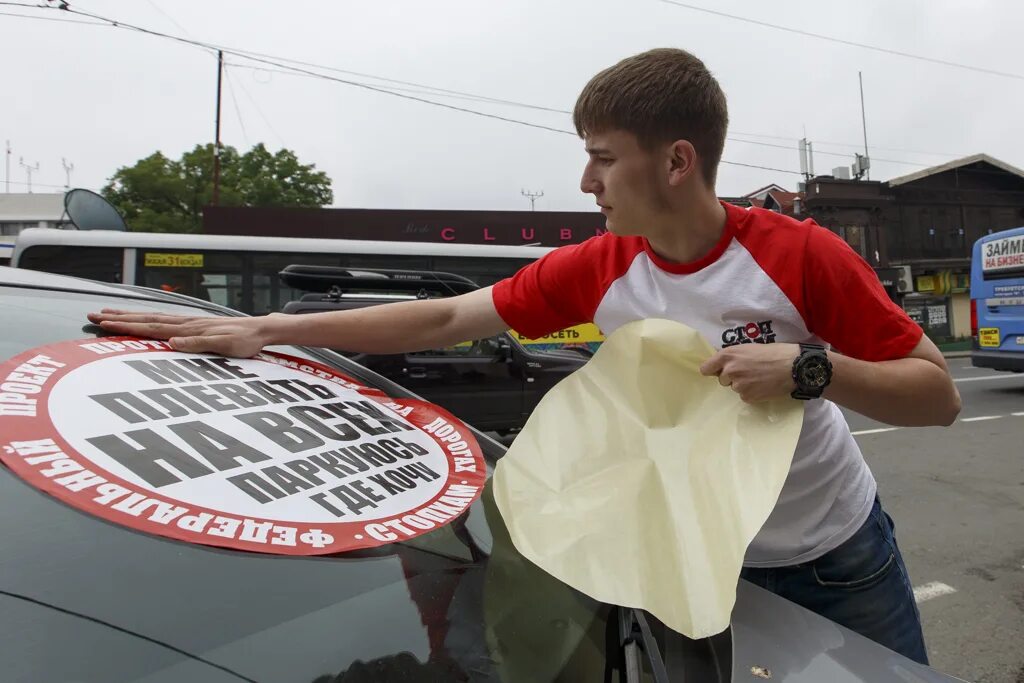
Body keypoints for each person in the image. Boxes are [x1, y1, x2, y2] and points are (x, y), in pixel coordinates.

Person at [88, 48, 961, 665]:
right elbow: (445, 318)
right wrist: (264, 331)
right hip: (696, 559)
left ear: (677, 162)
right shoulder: (604, 266)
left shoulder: (801, 255)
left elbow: (938, 394)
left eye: (603, 159)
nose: (587, 182)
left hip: (838, 557)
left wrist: (808, 370)